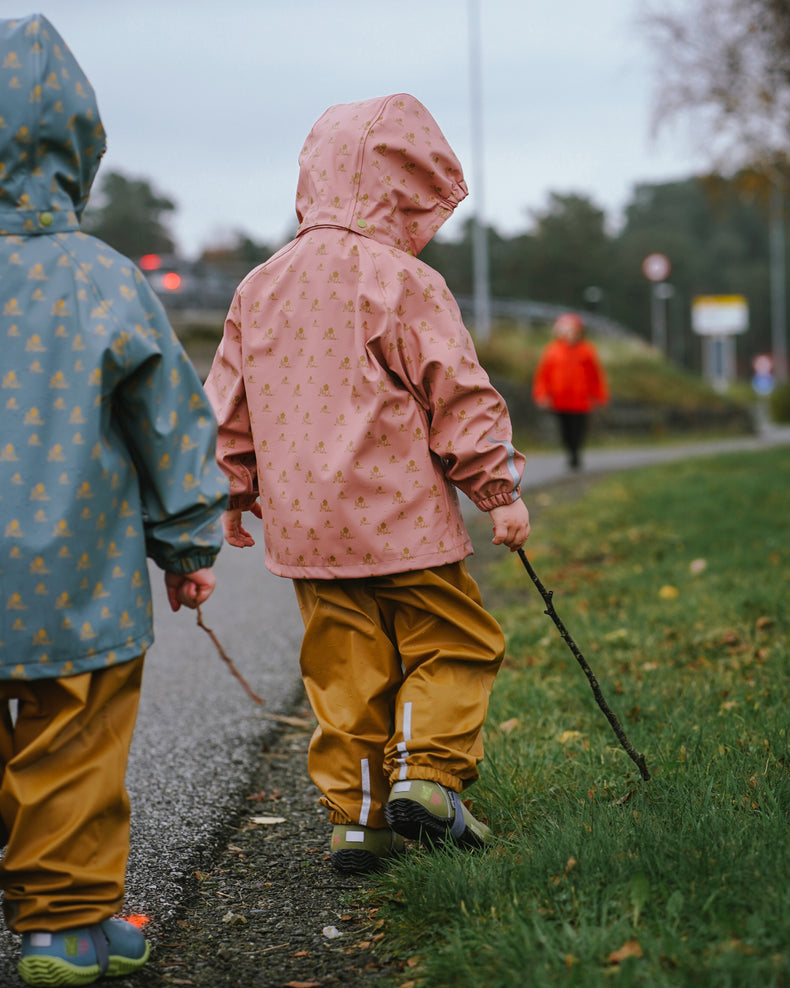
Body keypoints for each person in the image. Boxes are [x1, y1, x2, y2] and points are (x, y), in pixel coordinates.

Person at [205, 93, 530, 874]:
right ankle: (425, 775)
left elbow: (227, 402)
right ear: (405, 186)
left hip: (309, 532)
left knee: (343, 670)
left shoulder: (259, 285)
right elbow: (455, 391)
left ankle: (357, 821)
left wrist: (231, 489)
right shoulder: (404, 280)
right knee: (453, 639)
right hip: (405, 522)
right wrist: (497, 489)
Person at [0, 15, 228, 987]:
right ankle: (64, 924)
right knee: (73, 738)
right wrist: (187, 543)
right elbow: (166, 418)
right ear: (78, 148)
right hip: (73, 577)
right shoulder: (104, 282)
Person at [532, 312, 609, 470]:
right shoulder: (552, 350)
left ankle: (576, 454)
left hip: (581, 400)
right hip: (560, 400)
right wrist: (542, 395)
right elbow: (543, 376)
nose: (570, 334)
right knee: (565, 429)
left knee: (579, 429)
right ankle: (571, 453)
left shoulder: (587, 351)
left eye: (573, 330)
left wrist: (600, 395)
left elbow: (595, 375)